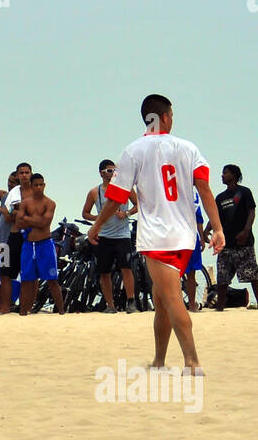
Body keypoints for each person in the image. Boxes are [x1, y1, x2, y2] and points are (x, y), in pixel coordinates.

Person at [87, 93, 223, 374]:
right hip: (185, 237)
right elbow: (205, 188)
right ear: (162, 117)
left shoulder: (133, 151)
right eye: (171, 115)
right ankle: (160, 360)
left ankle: (192, 361)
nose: (172, 120)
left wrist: (97, 225)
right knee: (161, 300)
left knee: (171, 297)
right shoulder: (188, 148)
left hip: (158, 237)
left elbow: (115, 197)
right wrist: (217, 227)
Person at [82, 159, 138, 313]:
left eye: (114, 170)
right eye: (109, 170)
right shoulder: (95, 192)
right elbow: (85, 213)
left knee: (126, 268)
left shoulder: (126, 188)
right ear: (101, 173)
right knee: (104, 272)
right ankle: (110, 305)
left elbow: (138, 204)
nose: (112, 173)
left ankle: (131, 302)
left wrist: (126, 213)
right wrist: (99, 218)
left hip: (122, 235)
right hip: (104, 236)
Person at [214, 165, 258, 310]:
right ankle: (219, 308)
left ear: (234, 175)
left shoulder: (244, 192)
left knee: (252, 276)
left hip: (244, 243)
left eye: (225, 173)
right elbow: (215, 217)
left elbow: (251, 212)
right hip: (226, 243)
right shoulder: (220, 197)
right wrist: (206, 230)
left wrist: (246, 231)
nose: (222, 175)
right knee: (222, 279)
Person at [16, 174, 65, 315]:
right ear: (31, 185)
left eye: (41, 184)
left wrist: (27, 218)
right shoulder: (25, 203)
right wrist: (36, 220)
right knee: (26, 280)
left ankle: (61, 310)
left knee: (52, 279)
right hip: (29, 245)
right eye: (36, 185)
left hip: (45, 244)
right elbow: (19, 222)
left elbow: (45, 224)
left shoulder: (50, 203)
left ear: (44, 185)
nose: (38, 187)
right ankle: (23, 312)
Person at [0, 162, 32, 314]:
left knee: (29, 273)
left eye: (26, 172)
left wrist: (19, 212)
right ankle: (4, 307)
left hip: (30, 236)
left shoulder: (35, 191)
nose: (24, 175)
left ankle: (26, 307)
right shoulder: (13, 193)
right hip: (13, 236)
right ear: (17, 175)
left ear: (30, 173)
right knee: (4, 272)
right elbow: (10, 216)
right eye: (21, 173)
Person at [183, 188, 206, 312]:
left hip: (189, 235)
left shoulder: (192, 191)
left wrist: (201, 237)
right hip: (185, 235)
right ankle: (190, 305)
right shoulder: (192, 191)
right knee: (188, 274)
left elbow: (198, 217)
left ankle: (191, 304)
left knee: (190, 273)